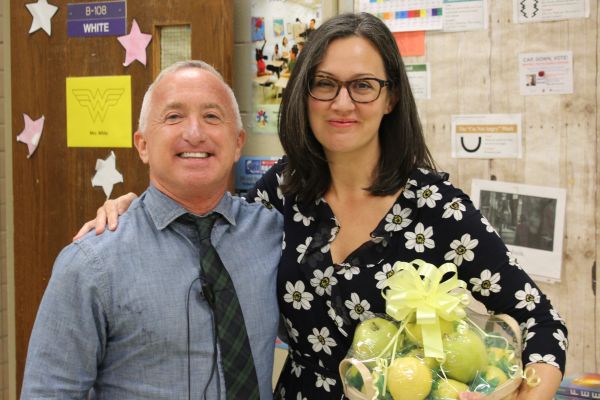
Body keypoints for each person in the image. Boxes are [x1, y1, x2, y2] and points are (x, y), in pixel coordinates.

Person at [76, 13, 567, 400]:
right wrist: (132, 208)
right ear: (304, 93)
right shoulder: (283, 191)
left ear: (391, 96)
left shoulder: (437, 209)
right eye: (325, 83)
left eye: (363, 85)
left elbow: (540, 321)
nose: (342, 103)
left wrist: (528, 392)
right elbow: (205, 224)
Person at [23, 60, 283, 399]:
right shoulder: (91, 263)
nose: (195, 132)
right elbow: (50, 392)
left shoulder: (273, 234)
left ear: (237, 143)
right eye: (174, 116)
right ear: (142, 144)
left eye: (212, 116)